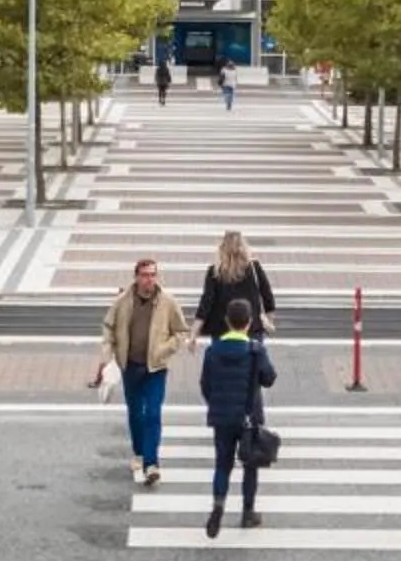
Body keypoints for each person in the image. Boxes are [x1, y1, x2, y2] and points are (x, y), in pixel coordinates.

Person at [92, 258, 190, 487]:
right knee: (136, 413)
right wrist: (106, 358)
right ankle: (138, 451)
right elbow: (109, 328)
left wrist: (164, 349)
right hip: (131, 365)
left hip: (155, 368)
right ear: (136, 277)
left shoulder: (167, 301)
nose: (149, 279)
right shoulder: (123, 301)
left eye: (153, 274)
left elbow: (181, 332)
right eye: (145, 275)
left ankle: (151, 464)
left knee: (153, 413)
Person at [200, 297, 276, 539]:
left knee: (222, 464)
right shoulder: (255, 350)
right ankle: (247, 513)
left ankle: (218, 507)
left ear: (226, 321)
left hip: (222, 416)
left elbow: (205, 384)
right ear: (249, 322)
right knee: (250, 465)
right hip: (248, 417)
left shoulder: (212, 351)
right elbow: (269, 378)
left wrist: (216, 402)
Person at [193, 230, 277, 348]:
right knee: (254, 363)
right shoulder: (254, 268)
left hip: (222, 332)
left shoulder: (215, 272)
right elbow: (268, 298)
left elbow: (205, 303)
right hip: (252, 330)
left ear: (222, 248)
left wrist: (194, 333)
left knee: (222, 365)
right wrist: (268, 321)